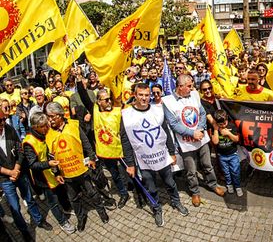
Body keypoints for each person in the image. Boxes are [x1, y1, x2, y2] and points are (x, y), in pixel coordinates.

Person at [121, 83, 189, 227]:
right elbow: (125, 141)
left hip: (162, 156)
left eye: (147, 95)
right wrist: (131, 164)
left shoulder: (157, 110)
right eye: (141, 95)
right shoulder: (127, 115)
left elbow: (166, 132)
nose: (144, 98)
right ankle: (157, 208)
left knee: (170, 183)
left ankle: (176, 202)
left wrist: (172, 152)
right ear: (135, 95)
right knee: (151, 188)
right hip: (143, 160)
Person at [45, 102, 109, 232]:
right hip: (66, 173)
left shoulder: (74, 125)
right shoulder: (48, 133)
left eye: (52, 116)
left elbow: (85, 142)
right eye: (48, 116)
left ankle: (101, 211)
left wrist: (91, 158)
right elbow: (50, 157)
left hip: (81, 169)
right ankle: (81, 217)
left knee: (92, 192)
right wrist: (56, 173)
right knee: (73, 198)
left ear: (60, 115)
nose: (50, 119)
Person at [163, 74, 226, 207]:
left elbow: (202, 113)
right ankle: (195, 191)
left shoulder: (194, 95)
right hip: (186, 143)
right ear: (180, 87)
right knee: (191, 170)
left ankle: (212, 184)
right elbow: (174, 124)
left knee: (207, 165)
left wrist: (201, 129)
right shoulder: (168, 102)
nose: (192, 88)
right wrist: (192, 133)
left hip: (201, 138)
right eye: (189, 86)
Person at [77, 81, 131, 209]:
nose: (109, 102)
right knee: (115, 174)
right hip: (105, 151)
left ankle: (136, 191)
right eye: (105, 100)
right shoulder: (94, 110)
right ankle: (123, 194)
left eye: (109, 99)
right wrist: (79, 79)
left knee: (129, 172)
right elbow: (83, 95)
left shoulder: (117, 111)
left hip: (120, 148)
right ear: (98, 102)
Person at [0, 109, 53, 241]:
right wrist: (10, 172)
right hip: (5, 178)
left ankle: (39, 220)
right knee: (15, 208)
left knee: (29, 198)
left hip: (19, 172)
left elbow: (20, 149)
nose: (2, 122)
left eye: (2, 119)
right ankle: (24, 231)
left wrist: (17, 168)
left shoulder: (9, 129)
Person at [22, 112, 76, 234]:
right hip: (43, 179)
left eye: (46, 124)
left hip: (54, 171)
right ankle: (63, 222)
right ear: (35, 127)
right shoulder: (28, 142)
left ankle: (67, 208)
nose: (47, 128)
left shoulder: (45, 132)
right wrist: (48, 164)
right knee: (53, 202)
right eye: (43, 126)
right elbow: (32, 165)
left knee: (62, 192)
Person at [211, 110, 242, 196]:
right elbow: (215, 142)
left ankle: (238, 186)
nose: (223, 125)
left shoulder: (232, 126)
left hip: (233, 154)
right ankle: (229, 184)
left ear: (227, 120)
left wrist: (228, 133)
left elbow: (237, 139)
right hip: (222, 156)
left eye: (224, 123)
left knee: (235, 171)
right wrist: (216, 130)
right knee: (226, 172)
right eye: (220, 124)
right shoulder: (216, 129)